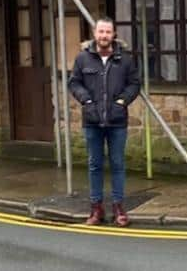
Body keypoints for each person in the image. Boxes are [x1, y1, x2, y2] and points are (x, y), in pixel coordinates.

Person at [68, 17, 140, 227]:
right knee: (94, 165)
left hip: (117, 121)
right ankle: (96, 209)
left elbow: (134, 84)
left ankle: (119, 208)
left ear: (114, 34)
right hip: (92, 121)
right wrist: (86, 100)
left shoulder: (125, 59)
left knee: (118, 164)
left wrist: (121, 102)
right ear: (94, 33)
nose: (104, 36)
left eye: (108, 32)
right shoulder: (83, 59)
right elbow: (74, 83)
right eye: (101, 32)